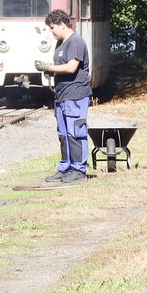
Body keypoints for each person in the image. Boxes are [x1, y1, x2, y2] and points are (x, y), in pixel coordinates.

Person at [34, 10, 92, 183]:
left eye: (52, 28)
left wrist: (48, 67)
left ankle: (79, 170)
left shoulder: (75, 42)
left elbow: (71, 68)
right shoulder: (60, 43)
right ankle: (65, 167)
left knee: (76, 132)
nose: (51, 32)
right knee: (64, 133)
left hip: (76, 95)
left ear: (62, 24)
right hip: (62, 95)